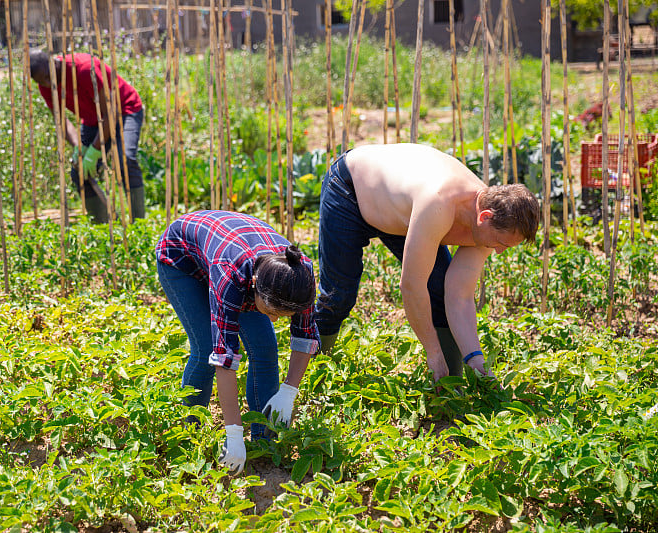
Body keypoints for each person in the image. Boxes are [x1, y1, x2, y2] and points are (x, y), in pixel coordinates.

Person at [316, 143, 539, 382]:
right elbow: (412, 286)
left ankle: (451, 383)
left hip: (400, 210)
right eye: (500, 243)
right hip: (350, 190)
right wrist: (432, 354)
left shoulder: (487, 223)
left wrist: (475, 357)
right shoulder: (439, 203)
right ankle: (316, 369)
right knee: (338, 295)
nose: (498, 251)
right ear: (485, 217)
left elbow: (459, 294)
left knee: (439, 291)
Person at [156, 210, 320, 474]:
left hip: (232, 250)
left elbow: (305, 335)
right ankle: (189, 434)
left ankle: (264, 441)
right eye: (271, 313)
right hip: (181, 258)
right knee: (206, 348)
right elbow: (224, 357)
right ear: (254, 287)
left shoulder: (299, 277)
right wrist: (233, 432)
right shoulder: (230, 275)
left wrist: (289, 391)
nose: (276, 321)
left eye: (283, 315)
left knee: (265, 349)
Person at [29, 50, 145, 222]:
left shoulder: (83, 69)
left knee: (124, 160)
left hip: (124, 110)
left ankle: (138, 224)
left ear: (54, 63)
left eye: (47, 77)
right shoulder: (45, 86)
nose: (47, 83)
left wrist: (94, 150)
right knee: (79, 171)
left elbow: (110, 113)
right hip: (93, 120)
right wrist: (79, 147)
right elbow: (61, 121)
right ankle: (102, 226)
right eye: (41, 81)